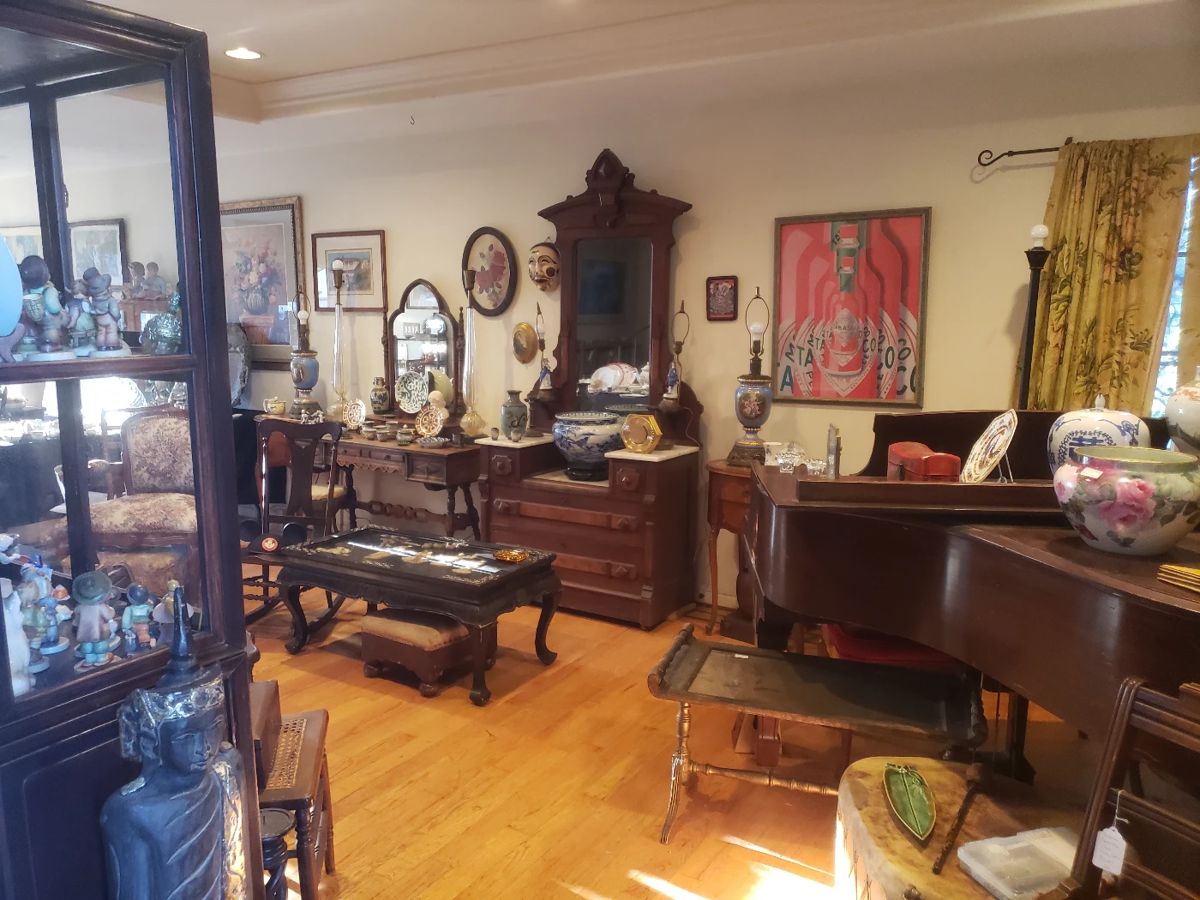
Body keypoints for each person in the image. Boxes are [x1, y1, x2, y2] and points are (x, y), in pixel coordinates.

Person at [100, 585, 247, 899]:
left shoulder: (225, 771)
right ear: (154, 743)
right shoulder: (131, 811)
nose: (204, 748)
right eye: (186, 738)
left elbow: (235, 864)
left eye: (212, 730)